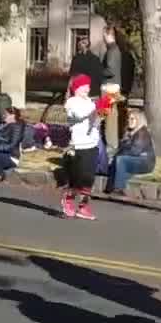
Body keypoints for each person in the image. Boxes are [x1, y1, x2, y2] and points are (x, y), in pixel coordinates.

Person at [62, 74, 105, 220]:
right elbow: (80, 116)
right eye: (84, 86)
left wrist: (104, 109)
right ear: (77, 88)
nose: (88, 88)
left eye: (88, 85)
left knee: (89, 179)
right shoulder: (71, 103)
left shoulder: (90, 102)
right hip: (78, 145)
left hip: (92, 143)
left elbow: (95, 120)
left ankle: (83, 207)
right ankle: (68, 199)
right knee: (79, 178)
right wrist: (96, 107)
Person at [106, 109, 156, 194]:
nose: (130, 121)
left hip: (145, 162)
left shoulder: (142, 133)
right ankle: (110, 188)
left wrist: (119, 155)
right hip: (134, 160)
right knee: (117, 161)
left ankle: (119, 189)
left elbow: (135, 151)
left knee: (120, 160)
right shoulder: (129, 133)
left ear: (139, 120)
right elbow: (122, 148)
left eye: (133, 119)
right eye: (129, 119)